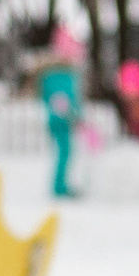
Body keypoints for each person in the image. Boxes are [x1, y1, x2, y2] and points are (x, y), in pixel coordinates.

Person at [38, 25, 85, 197]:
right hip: (59, 121)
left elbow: (73, 99)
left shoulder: (68, 75)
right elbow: (51, 97)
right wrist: (62, 108)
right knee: (64, 152)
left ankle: (62, 184)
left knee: (67, 152)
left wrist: (78, 116)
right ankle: (59, 187)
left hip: (66, 120)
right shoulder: (56, 76)